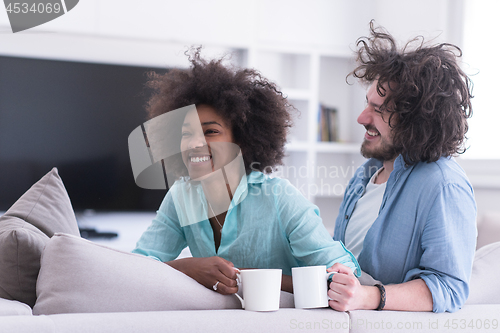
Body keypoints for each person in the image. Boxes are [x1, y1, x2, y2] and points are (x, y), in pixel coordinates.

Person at [132, 48, 360, 296]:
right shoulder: (181, 196)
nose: (194, 144)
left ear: (241, 141)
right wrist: (188, 268)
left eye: (210, 132)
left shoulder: (279, 198)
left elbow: (342, 275)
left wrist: (247, 278)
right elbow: (138, 267)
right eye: (186, 133)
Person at [327, 22, 476, 313]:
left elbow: (449, 286)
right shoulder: (365, 175)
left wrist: (368, 297)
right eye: (367, 104)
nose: (361, 118)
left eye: (379, 111)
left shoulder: (443, 185)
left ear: (416, 122)